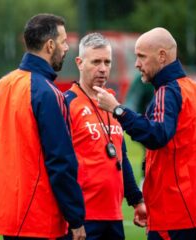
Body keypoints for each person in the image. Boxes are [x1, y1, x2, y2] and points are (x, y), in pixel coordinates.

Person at [93, 27, 196, 240]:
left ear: (162, 56)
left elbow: (156, 135)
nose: (137, 63)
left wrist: (117, 110)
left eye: (141, 56)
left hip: (175, 212)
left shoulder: (167, 91)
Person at [0, 13, 86, 240]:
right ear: (50, 45)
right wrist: (76, 218)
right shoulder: (48, 93)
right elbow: (60, 162)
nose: (67, 48)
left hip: (8, 217)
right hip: (40, 219)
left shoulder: (1, 86)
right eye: (63, 41)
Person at [61, 33, 146, 240]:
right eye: (96, 61)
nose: (103, 68)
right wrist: (73, 217)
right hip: (82, 218)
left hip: (113, 216)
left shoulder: (111, 103)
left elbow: (120, 157)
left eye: (107, 62)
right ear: (80, 63)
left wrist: (137, 200)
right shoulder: (66, 103)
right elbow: (58, 163)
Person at [125, 73, 154, 179]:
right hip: (145, 124)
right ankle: (145, 181)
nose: (138, 63)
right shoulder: (141, 80)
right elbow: (131, 103)